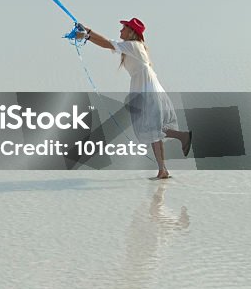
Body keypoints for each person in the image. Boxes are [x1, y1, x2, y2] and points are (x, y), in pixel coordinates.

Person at [75, 17, 191, 179]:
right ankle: (166, 164)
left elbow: (107, 43)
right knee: (154, 129)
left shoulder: (133, 46)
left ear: (131, 32)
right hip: (146, 89)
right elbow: (107, 43)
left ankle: (169, 158)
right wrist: (87, 34)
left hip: (148, 91)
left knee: (153, 129)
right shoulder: (131, 47)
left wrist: (87, 32)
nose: (120, 30)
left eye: (124, 28)